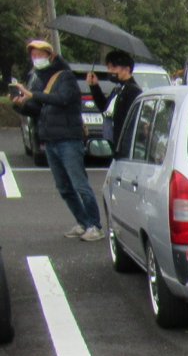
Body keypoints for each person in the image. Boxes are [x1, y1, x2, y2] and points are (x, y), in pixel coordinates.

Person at [10, 39, 103, 242]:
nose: (36, 59)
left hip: (69, 139)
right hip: (50, 140)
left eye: (40, 55)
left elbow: (61, 99)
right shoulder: (38, 78)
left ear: (50, 56)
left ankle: (95, 225)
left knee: (80, 184)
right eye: (33, 56)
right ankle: (83, 222)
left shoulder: (65, 77)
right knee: (63, 186)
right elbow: (39, 110)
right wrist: (20, 105)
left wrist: (33, 94)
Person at [87, 50, 142, 145]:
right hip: (110, 137)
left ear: (127, 69)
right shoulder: (117, 89)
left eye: (114, 68)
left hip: (121, 142)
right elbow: (104, 108)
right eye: (108, 68)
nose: (110, 71)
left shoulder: (133, 91)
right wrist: (94, 86)